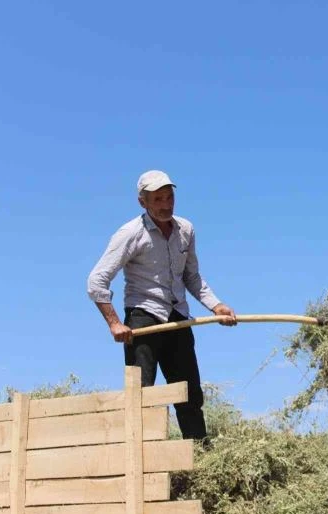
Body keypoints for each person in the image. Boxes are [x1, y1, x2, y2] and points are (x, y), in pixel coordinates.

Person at [87, 170, 236, 441]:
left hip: (178, 318)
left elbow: (191, 277)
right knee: (142, 395)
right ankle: (142, 460)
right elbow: (96, 281)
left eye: (169, 197)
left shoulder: (185, 230)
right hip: (143, 320)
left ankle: (199, 458)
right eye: (158, 200)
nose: (166, 204)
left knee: (189, 394)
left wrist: (217, 306)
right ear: (142, 202)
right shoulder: (130, 234)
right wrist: (114, 323)